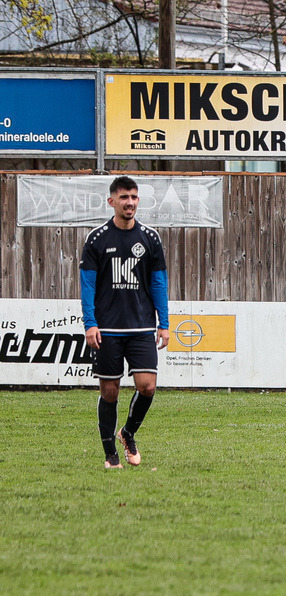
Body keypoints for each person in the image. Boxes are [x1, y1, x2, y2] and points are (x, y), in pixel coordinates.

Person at [80, 175, 169, 469]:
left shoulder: (150, 238)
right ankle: (110, 455)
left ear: (138, 201)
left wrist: (164, 323)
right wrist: (90, 323)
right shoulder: (97, 239)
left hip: (142, 326)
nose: (129, 202)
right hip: (107, 329)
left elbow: (158, 283)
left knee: (147, 387)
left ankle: (127, 433)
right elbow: (88, 286)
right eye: (123, 197)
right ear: (112, 202)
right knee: (110, 391)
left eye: (133, 197)